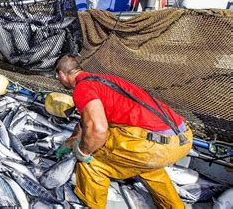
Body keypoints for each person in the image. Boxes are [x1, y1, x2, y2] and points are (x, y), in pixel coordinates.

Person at [54, 54, 192, 208]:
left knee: (92, 162)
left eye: (57, 76)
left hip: (151, 146)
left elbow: (98, 130)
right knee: (144, 166)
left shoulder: (82, 88)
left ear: (62, 74)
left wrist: (83, 152)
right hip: (180, 139)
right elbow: (84, 125)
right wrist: (68, 143)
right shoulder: (104, 80)